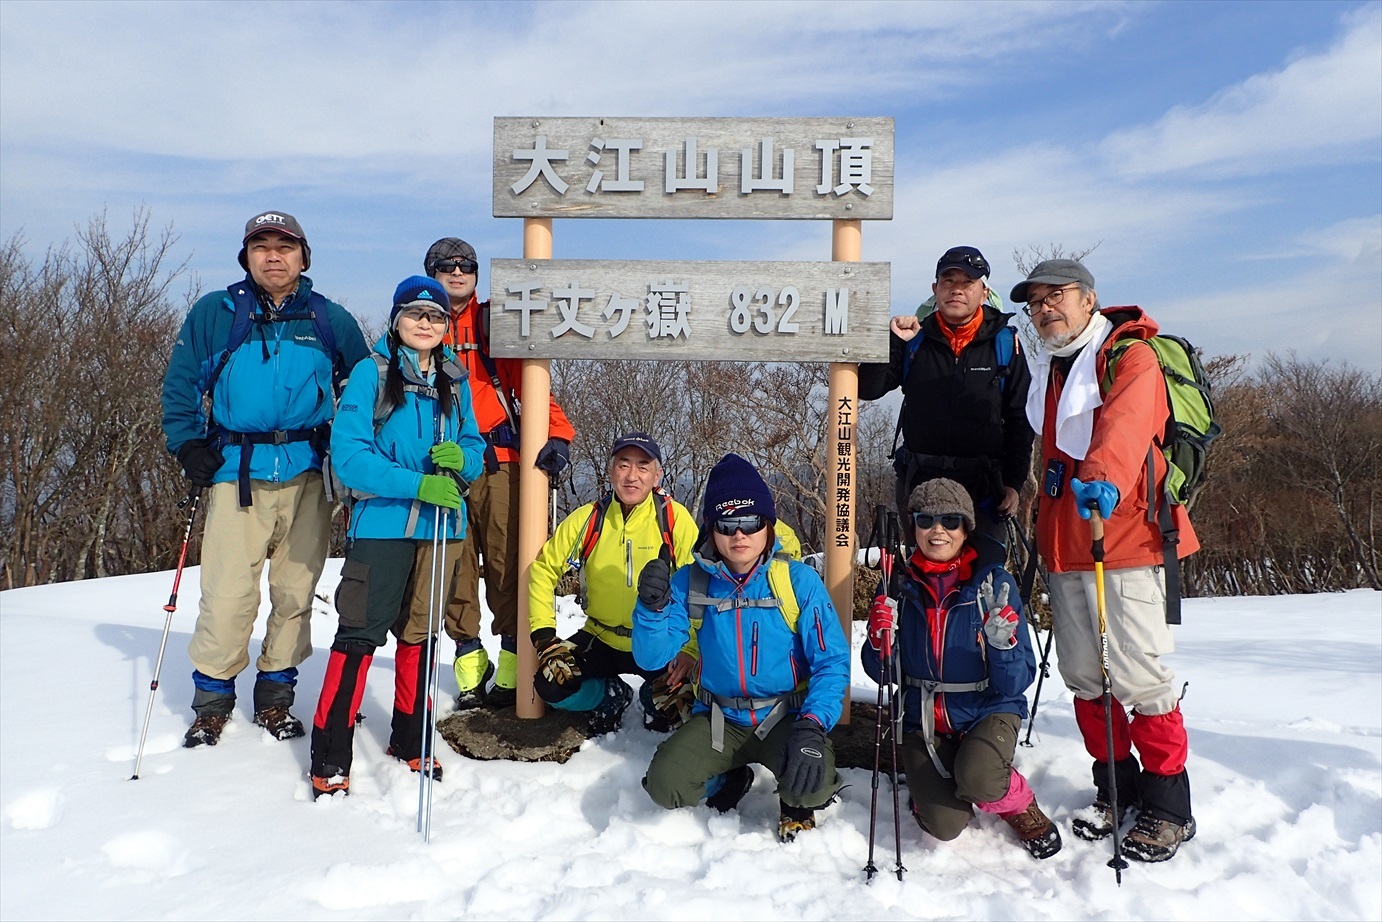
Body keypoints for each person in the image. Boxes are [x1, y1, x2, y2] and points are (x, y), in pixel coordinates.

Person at [1014, 258, 1199, 862]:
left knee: (1140, 678)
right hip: (1069, 545)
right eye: (1036, 301)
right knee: (1088, 678)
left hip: (1125, 539)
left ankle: (1170, 808)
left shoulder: (1130, 355)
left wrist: (1102, 478)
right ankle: (1116, 788)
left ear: (1089, 299)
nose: (1045, 308)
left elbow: (1123, 430)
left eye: (1056, 296)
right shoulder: (1053, 371)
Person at [160, 210, 368, 748]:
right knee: (228, 593)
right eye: (261, 246)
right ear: (246, 256)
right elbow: (182, 382)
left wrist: (355, 452)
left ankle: (276, 698)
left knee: (295, 591)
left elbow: (366, 389)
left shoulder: (328, 319)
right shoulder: (218, 312)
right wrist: (186, 443)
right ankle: (212, 700)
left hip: (307, 473)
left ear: (304, 257)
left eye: (284, 245)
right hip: (238, 470)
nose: (273, 255)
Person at [307, 276, 485, 797]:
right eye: (415, 314)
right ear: (396, 320)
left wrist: (463, 461)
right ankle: (331, 754)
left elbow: (473, 445)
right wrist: (418, 483)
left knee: (422, 636)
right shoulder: (371, 373)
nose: (425, 323)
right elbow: (351, 457)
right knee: (359, 637)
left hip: (442, 529)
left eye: (435, 316)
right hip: (383, 525)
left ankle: (412, 739)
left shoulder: (456, 377)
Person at [632, 453, 849, 843]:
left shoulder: (795, 580)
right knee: (665, 786)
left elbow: (831, 661)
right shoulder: (691, 583)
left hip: (785, 717)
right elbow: (652, 657)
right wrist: (650, 610)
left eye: (750, 522)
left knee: (812, 786)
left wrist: (813, 727)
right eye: (727, 524)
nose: (739, 535)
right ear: (712, 529)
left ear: (767, 524)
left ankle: (795, 801)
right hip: (719, 720)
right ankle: (729, 779)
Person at [416, 237, 577, 710]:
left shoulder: (495, 320)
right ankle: (470, 665)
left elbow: (530, 380)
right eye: (446, 265)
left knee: (510, 566)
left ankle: (512, 666)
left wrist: (559, 433)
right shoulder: (418, 323)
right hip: (438, 468)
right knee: (454, 568)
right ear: (431, 272)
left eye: (466, 264)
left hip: (498, 463)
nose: (457, 271)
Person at [863, 479, 1061, 859]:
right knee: (944, 827)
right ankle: (947, 779)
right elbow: (881, 673)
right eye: (926, 519)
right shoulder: (898, 586)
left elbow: (1016, 681)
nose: (937, 530)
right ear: (915, 527)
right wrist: (878, 640)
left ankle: (1017, 803)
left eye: (950, 520)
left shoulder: (993, 586)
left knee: (981, 780)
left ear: (966, 527)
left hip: (987, 708)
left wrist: (1003, 646)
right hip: (922, 717)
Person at [859, 245, 1034, 566]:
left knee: (984, 579)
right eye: (948, 280)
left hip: (984, 487)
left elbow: (1019, 419)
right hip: (920, 480)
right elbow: (868, 389)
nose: (957, 289)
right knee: (926, 580)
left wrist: (1013, 482)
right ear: (935, 289)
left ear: (983, 292)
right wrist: (893, 342)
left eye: (968, 282)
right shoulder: (915, 340)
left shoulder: (1005, 344)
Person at [527, 433, 701, 734]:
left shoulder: (673, 519)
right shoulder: (589, 519)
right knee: (550, 685)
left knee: (685, 701)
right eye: (623, 465)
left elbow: (700, 586)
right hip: (601, 636)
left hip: (657, 643)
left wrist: (692, 650)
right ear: (611, 471)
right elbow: (543, 571)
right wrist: (546, 639)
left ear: (657, 475)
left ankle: (651, 699)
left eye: (643, 466)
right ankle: (610, 698)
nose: (632, 476)